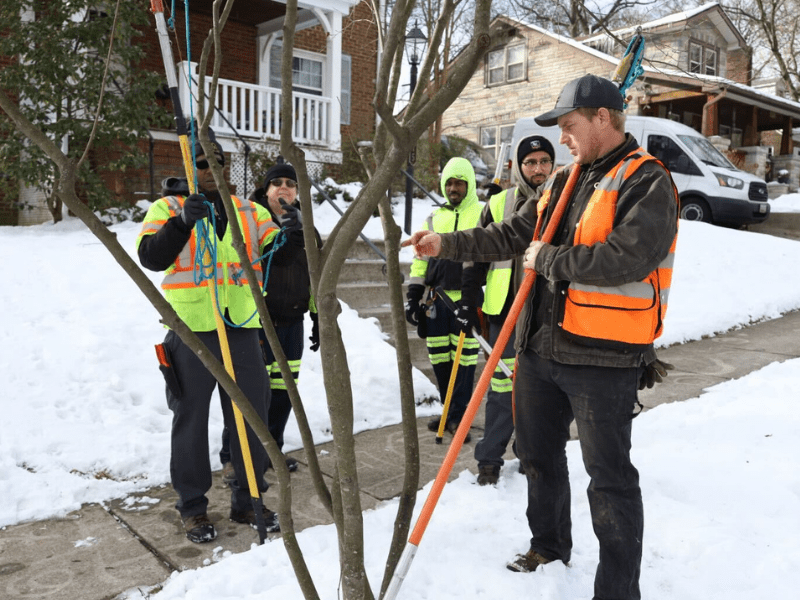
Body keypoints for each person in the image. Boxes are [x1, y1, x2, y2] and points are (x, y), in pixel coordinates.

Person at [403, 74, 679, 600]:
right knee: (537, 456)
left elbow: (631, 256)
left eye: (571, 126)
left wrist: (548, 259)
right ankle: (548, 545)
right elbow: (511, 234)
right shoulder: (564, 180)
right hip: (540, 348)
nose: (564, 139)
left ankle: (618, 590)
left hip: (604, 356)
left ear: (603, 118)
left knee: (610, 478)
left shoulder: (647, 181)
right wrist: (445, 243)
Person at [137, 128, 300, 543]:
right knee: (190, 421)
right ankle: (192, 508)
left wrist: (291, 227)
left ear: (226, 167)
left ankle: (248, 500)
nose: (210, 169)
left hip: (242, 329)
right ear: (189, 167)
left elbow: (278, 252)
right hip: (191, 332)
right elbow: (150, 257)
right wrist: (181, 223)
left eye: (216, 162)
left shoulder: (248, 211)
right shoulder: (167, 206)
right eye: (201, 163)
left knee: (251, 417)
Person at [220, 157, 321, 481]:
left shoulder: (308, 230)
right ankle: (233, 457)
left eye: (290, 184)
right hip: (255, 322)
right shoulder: (248, 223)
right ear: (266, 190)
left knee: (283, 391)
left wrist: (318, 317)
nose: (284, 189)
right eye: (278, 183)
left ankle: (270, 451)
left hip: (292, 322)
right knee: (251, 393)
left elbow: (317, 278)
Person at [467, 135, 555, 486]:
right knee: (502, 388)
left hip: (546, 314)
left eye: (544, 161)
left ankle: (531, 454)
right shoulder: (500, 202)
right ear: (518, 166)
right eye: (530, 162)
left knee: (540, 392)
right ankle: (490, 459)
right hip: (504, 313)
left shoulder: (565, 200)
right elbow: (479, 251)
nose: (537, 168)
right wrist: (468, 297)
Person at [405, 157, 484, 442]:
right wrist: (413, 296)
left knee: (464, 364)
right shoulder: (433, 218)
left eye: (459, 183)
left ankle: (460, 418)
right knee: (440, 360)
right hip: (436, 302)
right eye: (449, 182)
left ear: (469, 184)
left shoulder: (481, 214)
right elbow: (420, 261)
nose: (453, 188)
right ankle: (448, 411)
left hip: (469, 300)